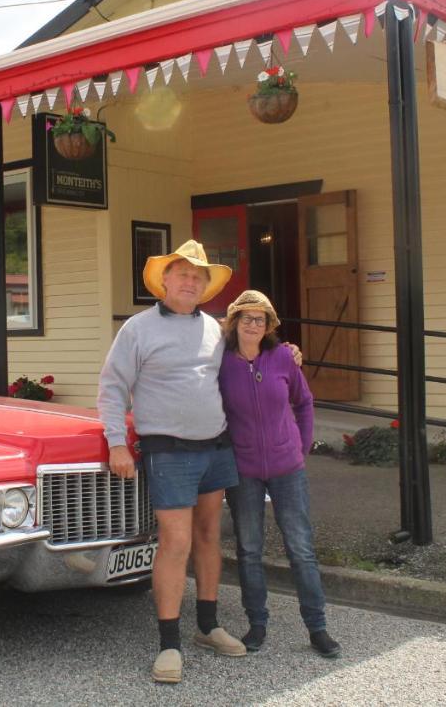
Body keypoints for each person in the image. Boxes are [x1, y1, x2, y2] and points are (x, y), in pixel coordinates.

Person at [97, 240, 247, 684]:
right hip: (168, 451)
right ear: (165, 280)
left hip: (215, 447)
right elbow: (111, 387)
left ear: (205, 286)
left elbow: (252, 356)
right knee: (175, 542)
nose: (189, 281)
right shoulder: (138, 328)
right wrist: (115, 443)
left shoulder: (215, 330)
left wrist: (288, 353)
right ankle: (169, 644)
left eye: (198, 277)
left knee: (208, 536)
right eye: (182, 273)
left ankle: (207, 625)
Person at [219, 289, 341, 659]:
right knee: (249, 549)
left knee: (301, 549)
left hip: (288, 468)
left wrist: (300, 448)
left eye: (260, 319)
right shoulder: (221, 364)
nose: (253, 325)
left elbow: (304, 403)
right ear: (234, 323)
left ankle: (317, 627)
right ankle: (256, 624)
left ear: (268, 325)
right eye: (246, 318)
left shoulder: (284, 358)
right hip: (244, 471)